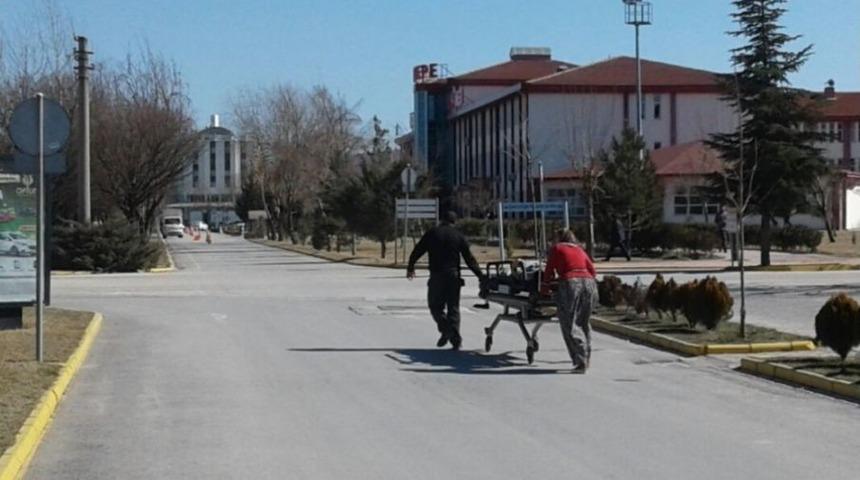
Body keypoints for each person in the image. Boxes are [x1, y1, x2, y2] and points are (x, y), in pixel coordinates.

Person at [407, 211, 485, 350]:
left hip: (437, 275)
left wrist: (411, 267)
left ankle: (445, 329)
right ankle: (455, 340)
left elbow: (418, 250)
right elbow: (469, 259)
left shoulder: (432, 233)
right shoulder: (458, 236)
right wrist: (480, 276)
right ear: (454, 222)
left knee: (435, 306)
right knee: (453, 308)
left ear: (442, 221)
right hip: (453, 276)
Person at [542, 229, 597, 373]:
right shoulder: (579, 249)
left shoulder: (557, 248)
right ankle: (587, 356)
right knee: (584, 321)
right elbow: (592, 270)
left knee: (569, 322)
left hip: (571, 283)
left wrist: (545, 288)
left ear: (559, 238)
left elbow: (548, 270)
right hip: (589, 283)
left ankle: (580, 361)